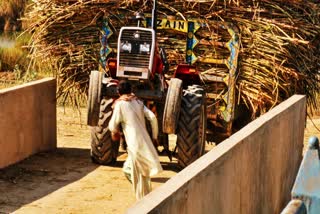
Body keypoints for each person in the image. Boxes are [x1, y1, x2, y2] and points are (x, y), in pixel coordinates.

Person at [108, 80, 163, 200]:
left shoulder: (120, 104)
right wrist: (154, 137)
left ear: (118, 92)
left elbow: (112, 126)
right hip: (145, 143)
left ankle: (143, 203)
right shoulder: (138, 102)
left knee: (131, 172)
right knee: (143, 176)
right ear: (130, 90)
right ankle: (147, 201)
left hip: (134, 145)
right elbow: (153, 118)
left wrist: (115, 132)